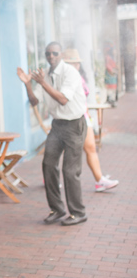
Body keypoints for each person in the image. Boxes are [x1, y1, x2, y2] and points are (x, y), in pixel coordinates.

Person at [17, 41, 88, 226]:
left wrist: (41, 82)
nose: (51, 57)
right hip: (57, 125)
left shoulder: (70, 72)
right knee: (48, 164)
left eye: (54, 53)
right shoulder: (45, 75)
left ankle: (78, 212)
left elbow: (63, 99)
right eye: (48, 53)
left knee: (70, 170)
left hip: (74, 124)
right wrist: (28, 85)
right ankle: (57, 209)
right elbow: (34, 101)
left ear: (61, 54)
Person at [61, 49, 118, 193]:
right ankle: (52, 178)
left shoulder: (79, 77)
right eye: (71, 63)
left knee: (91, 148)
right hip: (69, 119)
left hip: (84, 117)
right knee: (62, 151)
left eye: (77, 63)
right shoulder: (64, 79)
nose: (75, 66)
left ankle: (99, 180)